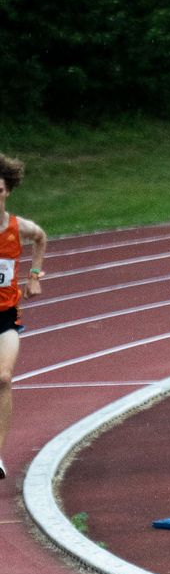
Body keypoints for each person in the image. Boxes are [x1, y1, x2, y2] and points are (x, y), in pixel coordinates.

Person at [0, 155, 48, 483]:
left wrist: (33, 276)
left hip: (6, 314)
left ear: (7, 190)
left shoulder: (19, 228)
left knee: (3, 378)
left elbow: (41, 237)